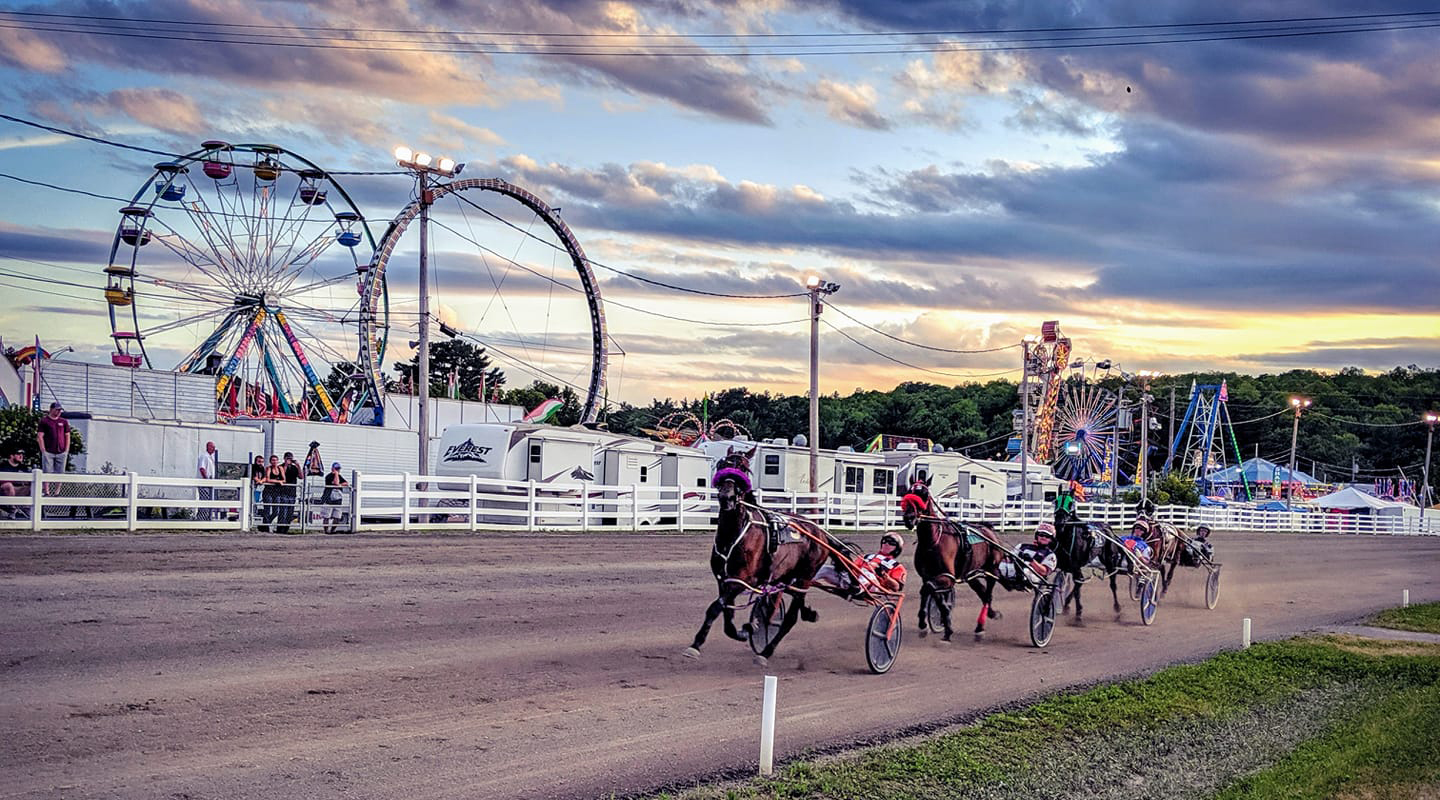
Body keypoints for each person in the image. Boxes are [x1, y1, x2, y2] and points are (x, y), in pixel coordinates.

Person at [814, 533, 907, 597]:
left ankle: (858, 589)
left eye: (891, 543)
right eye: (884, 541)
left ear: (897, 548)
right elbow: (854, 568)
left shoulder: (897, 566)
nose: (886, 544)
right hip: (853, 580)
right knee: (826, 569)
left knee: (866, 572)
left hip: (874, 586)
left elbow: (896, 587)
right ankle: (806, 579)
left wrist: (883, 575)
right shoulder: (867, 556)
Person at [1001, 522, 1060, 587]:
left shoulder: (1050, 555)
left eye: (1047, 536)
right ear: (1037, 536)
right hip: (1014, 571)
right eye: (1041, 535)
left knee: (1026, 570)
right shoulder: (1022, 546)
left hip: (1033, 576)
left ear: (1051, 539)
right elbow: (1009, 559)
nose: (1044, 537)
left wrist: (1031, 561)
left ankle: (1019, 576)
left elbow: (1044, 571)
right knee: (1002, 565)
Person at [37, 402, 70, 475]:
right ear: (51, 409)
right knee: (47, 473)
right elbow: (40, 436)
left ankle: (58, 485)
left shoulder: (64, 421)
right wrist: (43, 450)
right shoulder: (44, 421)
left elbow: (67, 435)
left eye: (60, 410)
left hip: (61, 452)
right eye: (57, 410)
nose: (59, 412)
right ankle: (47, 484)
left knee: (60, 474)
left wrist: (66, 450)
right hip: (48, 451)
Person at [1, 447, 30, 519]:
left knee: (32, 487)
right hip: (4, 492)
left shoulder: (23, 467)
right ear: (11, 456)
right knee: (9, 485)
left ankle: (28, 510)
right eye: (18, 454)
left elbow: (28, 481)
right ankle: (12, 510)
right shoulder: (3, 466)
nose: (21, 456)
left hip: (19, 490)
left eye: (22, 454)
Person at [321, 462, 349, 534]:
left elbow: (346, 483)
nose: (338, 470)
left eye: (338, 469)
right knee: (326, 516)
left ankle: (332, 530)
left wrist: (340, 484)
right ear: (332, 469)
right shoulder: (328, 476)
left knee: (337, 517)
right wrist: (336, 474)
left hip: (337, 500)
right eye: (336, 469)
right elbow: (336, 483)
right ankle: (326, 531)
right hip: (328, 499)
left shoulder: (340, 476)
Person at [277, 451, 301, 533]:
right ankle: (280, 529)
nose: (289, 460)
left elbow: (301, 476)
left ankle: (286, 529)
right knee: (283, 512)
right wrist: (286, 465)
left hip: (292, 493)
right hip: (283, 492)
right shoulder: (281, 467)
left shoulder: (294, 468)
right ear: (284, 458)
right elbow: (282, 475)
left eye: (290, 458)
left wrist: (298, 465)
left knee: (290, 513)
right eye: (287, 458)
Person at [260, 454, 284, 532]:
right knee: (267, 509)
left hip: (277, 492)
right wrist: (278, 481)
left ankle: (265, 524)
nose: (274, 462)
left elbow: (284, 479)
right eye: (273, 460)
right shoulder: (268, 468)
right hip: (268, 491)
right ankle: (265, 527)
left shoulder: (280, 468)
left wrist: (278, 481)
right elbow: (267, 479)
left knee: (276, 511)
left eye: (276, 460)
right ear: (270, 461)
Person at [196, 441, 217, 522]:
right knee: (204, 500)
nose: (214, 449)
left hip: (209, 483)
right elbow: (202, 468)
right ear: (208, 447)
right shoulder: (204, 456)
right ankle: (202, 518)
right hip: (204, 483)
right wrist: (206, 480)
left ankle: (206, 517)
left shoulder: (211, 457)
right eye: (212, 447)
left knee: (208, 500)